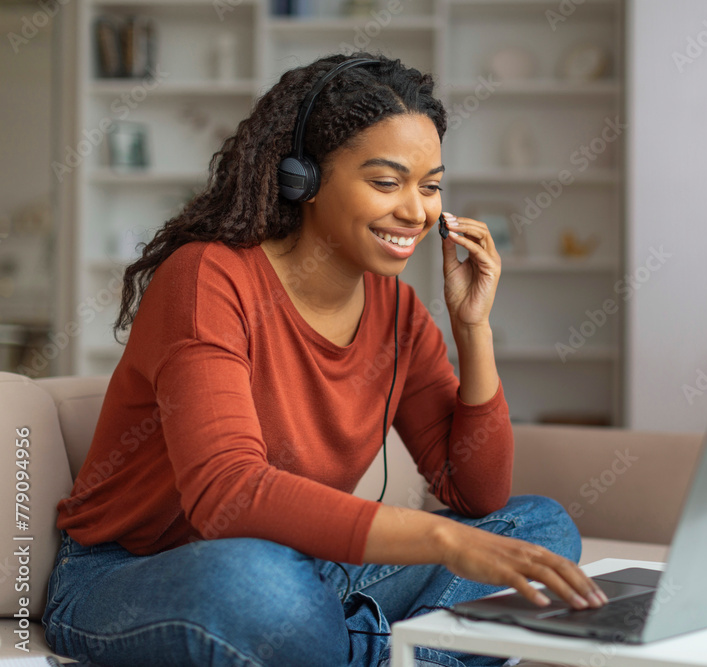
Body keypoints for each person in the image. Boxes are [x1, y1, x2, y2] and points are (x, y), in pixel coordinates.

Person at [42, 52, 608, 667]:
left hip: (303, 570)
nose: (417, 211)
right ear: (303, 180)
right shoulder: (207, 279)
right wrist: (442, 540)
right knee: (259, 585)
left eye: (431, 185)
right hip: (136, 578)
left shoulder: (400, 311)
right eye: (387, 182)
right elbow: (225, 493)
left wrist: (473, 329)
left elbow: (476, 491)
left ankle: (347, 649)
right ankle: (384, 649)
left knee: (541, 529)